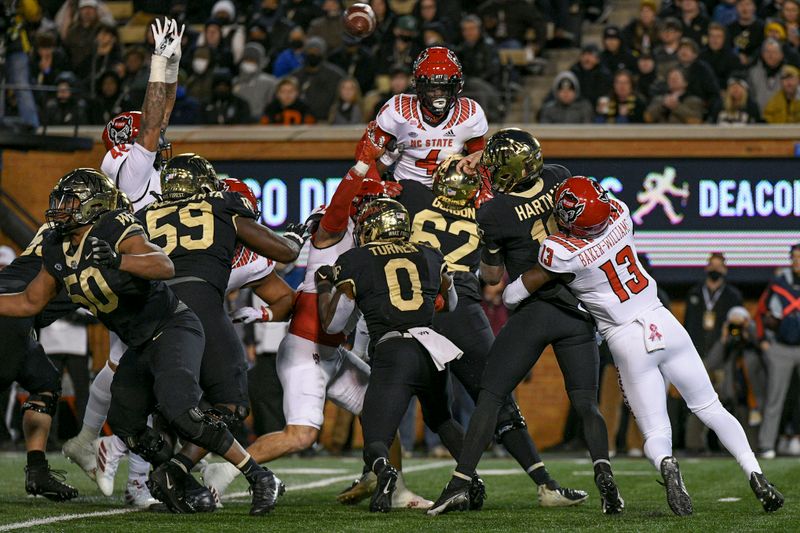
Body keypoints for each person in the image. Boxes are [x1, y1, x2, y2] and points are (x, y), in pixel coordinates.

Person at [0, 168, 284, 516]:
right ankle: (185, 485)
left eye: (69, 201)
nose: (61, 208)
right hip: (139, 344)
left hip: (172, 326)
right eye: (59, 200)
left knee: (181, 410)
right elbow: (30, 301)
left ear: (93, 204)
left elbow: (163, 265)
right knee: (127, 424)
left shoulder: (114, 227)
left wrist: (120, 260)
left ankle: (260, 476)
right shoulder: (56, 247)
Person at [502, 176, 784, 516]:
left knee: (655, 429)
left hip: (626, 337)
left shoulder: (559, 252)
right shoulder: (620, 213)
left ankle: (667, 462)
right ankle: (755, 473)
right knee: (711, 407)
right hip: (663, 321)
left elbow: (512, 294)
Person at [203, 129, 432, 510]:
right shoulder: (332, 228)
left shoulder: (366, 237)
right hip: (306, 347)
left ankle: (390, 485)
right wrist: (361, 167)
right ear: (360, 204)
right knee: (301, 435)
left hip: (331, 351)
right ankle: (222, 472)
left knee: (383, 406)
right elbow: (340, 208)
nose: (385, 210)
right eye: (376, 202)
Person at [429, 129, 619, 516]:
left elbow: (493, 278)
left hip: (533, 309)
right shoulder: (558, 175)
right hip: (576, 309)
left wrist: (487, 245)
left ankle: (460, 482)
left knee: (491, 395)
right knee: (586, 403)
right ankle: (606, 478)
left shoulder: (494, 212)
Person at [396, 154, 587, 507]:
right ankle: (542, 483)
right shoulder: (487, 212)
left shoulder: (411, 195)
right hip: (461, 306)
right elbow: (492, 274)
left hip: (411, 309)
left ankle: (389, 480)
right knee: (495, 398)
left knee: (432, 406)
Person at [320, 197, 465, 513]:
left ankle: (384, 471)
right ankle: (470, 478)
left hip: (393, 350)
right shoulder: (428, 253)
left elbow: (333, 324)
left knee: (376, 435)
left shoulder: (356, 258)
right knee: (443, 420)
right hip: (431, 348)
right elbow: (452, 303)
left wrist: (324, 290)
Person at [372, 47, 488, 188]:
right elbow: (368, 166)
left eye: (444, 88)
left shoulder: (468, 113)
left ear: (457, 87)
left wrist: (484, 190)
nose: (438, 94)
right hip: (405, 191)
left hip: (452, 193)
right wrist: (387, 158)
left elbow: (479, 163)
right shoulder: (398, 109)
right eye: (432, 88)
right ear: (418, 86)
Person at [682, 252, 744, 451]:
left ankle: (725, 445)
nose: (715, 270)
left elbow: (738, 329)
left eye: (719, 266)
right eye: (712, 265)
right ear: (706, 267)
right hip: (697, 354)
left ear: (724, 269)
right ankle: (693, 444)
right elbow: (686, 325)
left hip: (723, 355)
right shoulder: (694, 293)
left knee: (725, 400)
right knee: (697, 401)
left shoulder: (733, 296)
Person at [756, 243, 800, 458]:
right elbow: (761, 312)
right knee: (774, 398)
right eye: (796, 257)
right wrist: (763, 339)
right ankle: (766, 444)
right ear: (790, 260)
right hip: (781, 347)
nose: (798, 261)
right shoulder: (778, 284)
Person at [705, 306, 767, 446]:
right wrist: (723, 339)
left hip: (753, 401)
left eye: (739, 324)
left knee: (752, 443)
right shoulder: (728, 348)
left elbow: (766, 356)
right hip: (731, 400)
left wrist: (749, 332)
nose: (736, 328)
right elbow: (711, 363)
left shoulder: (755, 346)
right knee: (728, 445)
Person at [289, 36, 346, 122]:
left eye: (316, 51)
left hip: (326, 121)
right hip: (299, 121)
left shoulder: (336, 76)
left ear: (322, 53)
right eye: (310, 50)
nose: (312, 53)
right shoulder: (295, 76)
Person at [233, 43, 277, 122]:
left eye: (252, 60)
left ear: (259, 62)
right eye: (246, 60)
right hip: (240, 124)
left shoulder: (270, 82)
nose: (248, 63)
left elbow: (272, 106)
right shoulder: (235, 82)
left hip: (262, 123)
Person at [457, 15, 501, 87]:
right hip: (469, 85)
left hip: (487, 86)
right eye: (465, 29)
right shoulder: (462, 47)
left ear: (479, 29)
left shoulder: (488, 45)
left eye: (471, 29)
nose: (468, 33)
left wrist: (471, 82)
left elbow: (491, 71)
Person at [747, 38, 785, 112]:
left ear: (781, 55)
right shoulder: (753, 73)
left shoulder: (788, 73)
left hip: (783, 119)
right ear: (762, 54)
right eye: (767, 52)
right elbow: (750, 97)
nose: (771, 55)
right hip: (759, 118)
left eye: (774, 52)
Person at [701, 22, 742, 88]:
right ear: (708, 38)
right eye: (712, 36)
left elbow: (735, 81)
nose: (715, 40)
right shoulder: (701, 57)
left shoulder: (733, 59)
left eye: (718, 36)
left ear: (724, 39)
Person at [727, 0, 765, 66]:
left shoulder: (763, 28)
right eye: (741, 5)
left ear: (754, 7)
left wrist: (750, 59)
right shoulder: (729, 29)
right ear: (736, 8)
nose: (744, 8)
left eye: (748, 4)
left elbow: (764, 49)